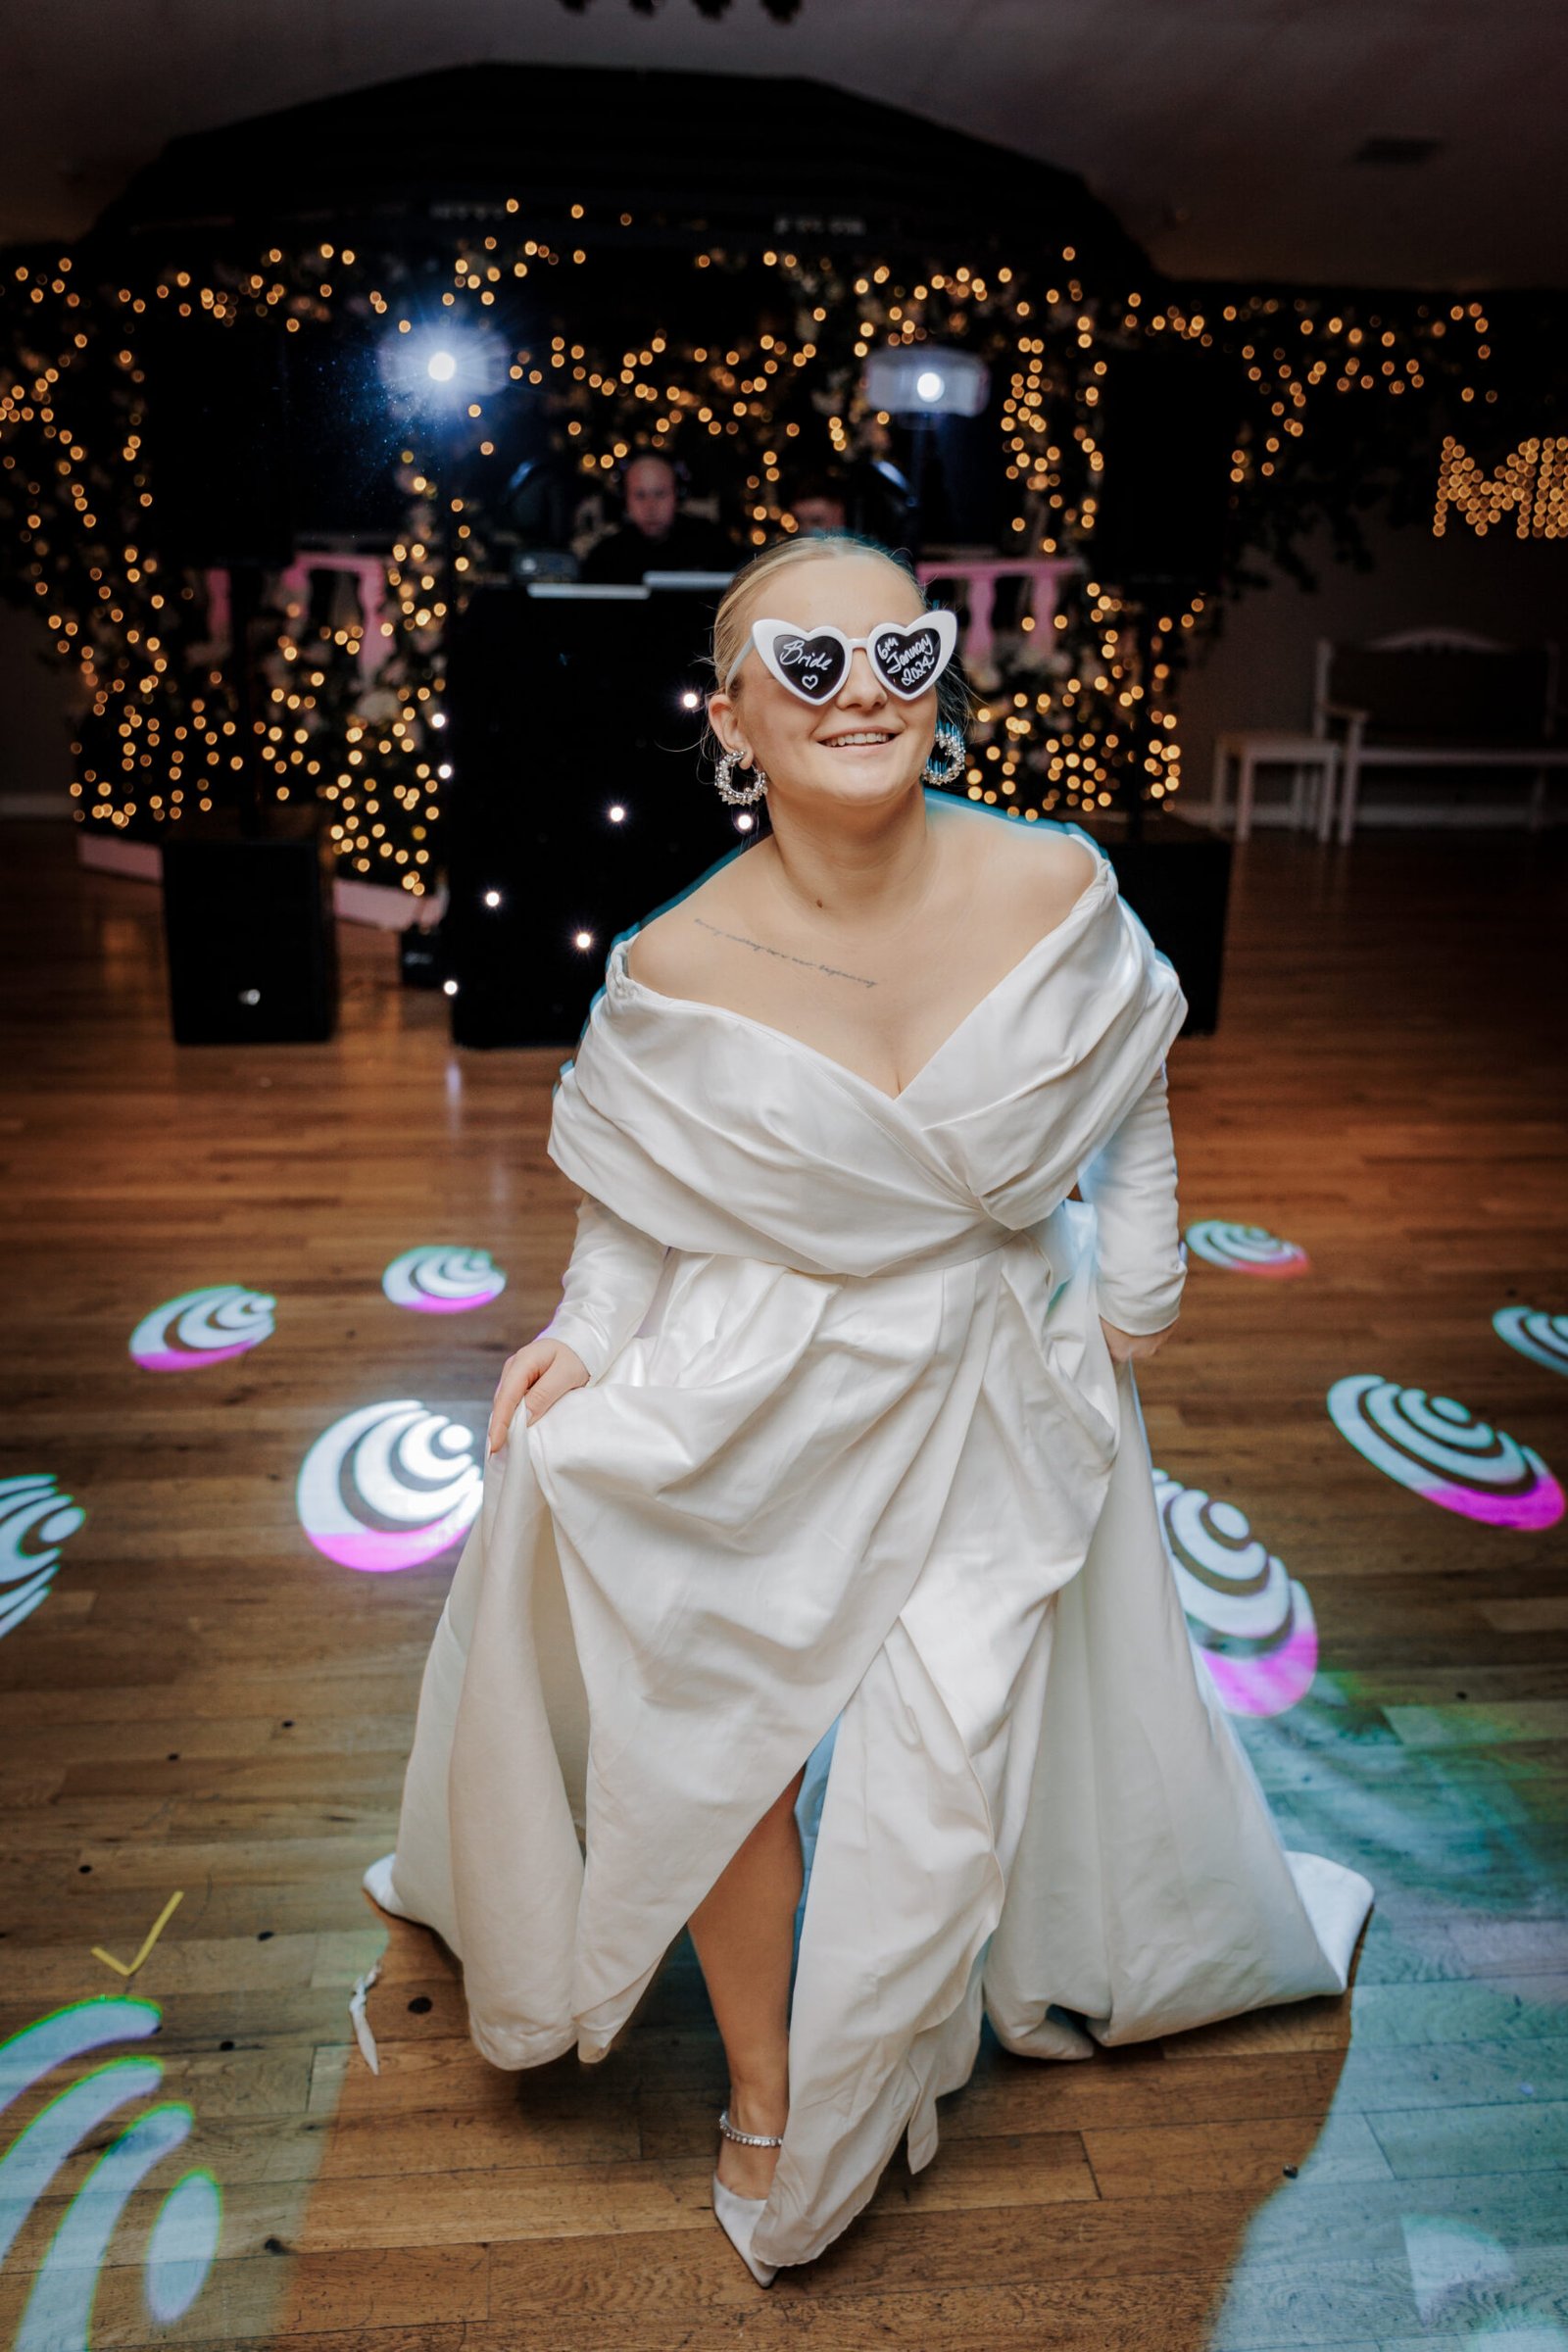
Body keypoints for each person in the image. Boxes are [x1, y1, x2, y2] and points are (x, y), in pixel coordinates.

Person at [364, 532, 1374, 2286]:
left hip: (996, 1374)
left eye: (899, 655)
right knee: (716, 1719)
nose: (863, 697)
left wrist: (1133, 1299)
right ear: (733, 719)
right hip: (767, 1370)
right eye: (808, 666)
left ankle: (865, 2066)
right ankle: (773, 2091)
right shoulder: (677, 961)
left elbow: (1129, 1093)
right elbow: (640, 1196)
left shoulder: (1054, 883)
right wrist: (585, 1334)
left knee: (941, 1746)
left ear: (940, 679)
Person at [578, 452, 738, 583]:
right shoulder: (605, 557)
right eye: (640, 495)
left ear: (678, 494)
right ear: (625, 499)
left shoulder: (712, 544)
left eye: (660, 494)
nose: (650, 507)